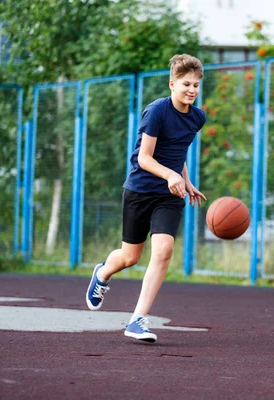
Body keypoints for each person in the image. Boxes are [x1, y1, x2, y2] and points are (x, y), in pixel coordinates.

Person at [86, 54, 207, 343]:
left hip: (169, 195)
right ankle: (102, 272)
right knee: (130, 257)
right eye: (186, 84)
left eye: (196, 85)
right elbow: (144, 158)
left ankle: (137, 320)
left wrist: (185, 181)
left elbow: (178, 152)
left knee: (164, 250)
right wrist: (171, 175)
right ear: (172, 84)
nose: (192, 90)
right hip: (140, 190)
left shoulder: (197, 118)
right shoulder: (156, 112)